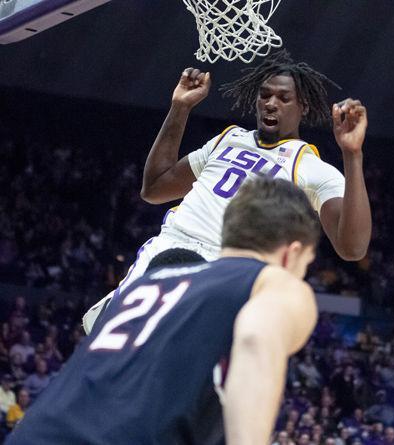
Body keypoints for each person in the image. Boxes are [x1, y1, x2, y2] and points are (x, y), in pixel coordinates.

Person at [7, 178, 321, 444]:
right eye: (304, 266)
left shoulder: (149, 284)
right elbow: (255, 338)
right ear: (290, 255)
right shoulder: (271, 281)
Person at [82, 50, 371, 334]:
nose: (271, 104)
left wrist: (352, 155)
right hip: (169, 246)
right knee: (106, 355)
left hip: (223, 267)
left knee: (162, 361)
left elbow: (353, 248)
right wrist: (180, 108)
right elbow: (155, 187)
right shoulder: (227, 139)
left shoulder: (309, 166)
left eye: (283, 98)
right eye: (265, 95)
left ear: (303, 107)